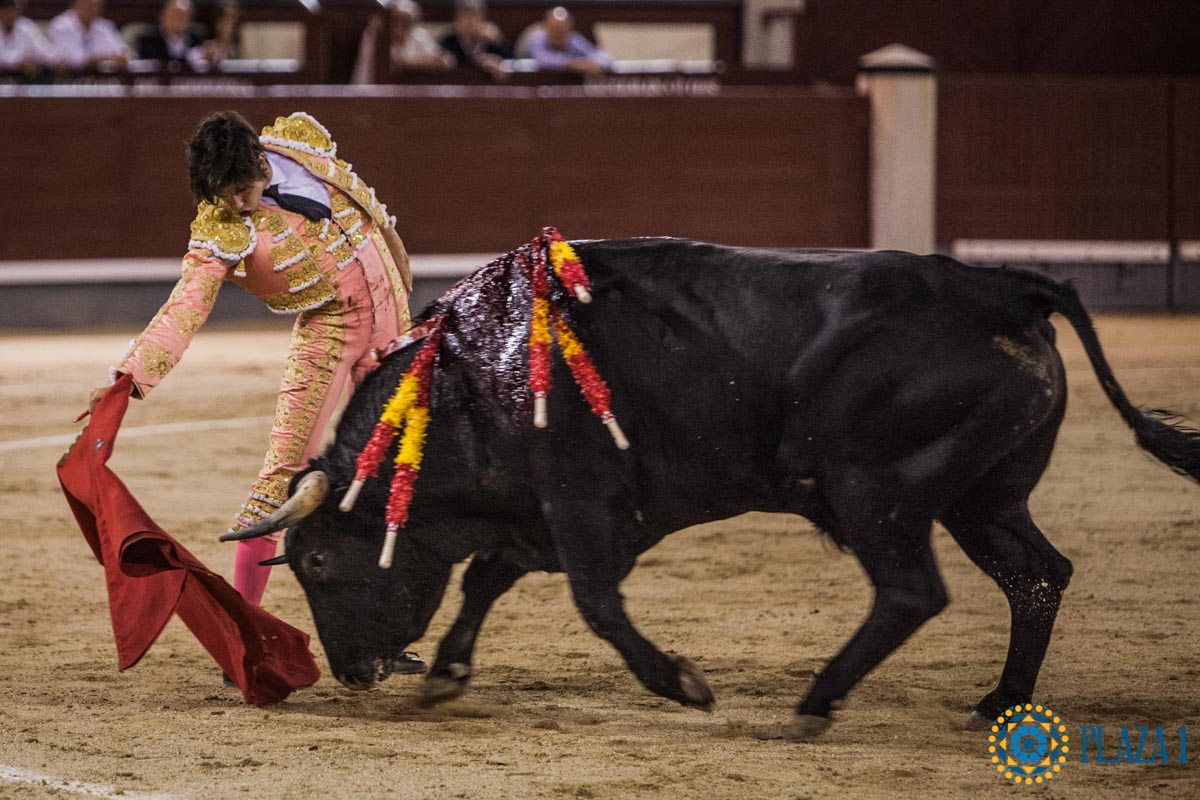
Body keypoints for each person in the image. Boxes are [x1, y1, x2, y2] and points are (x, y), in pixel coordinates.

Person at [84, 114, 418, 667]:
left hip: (389, 326)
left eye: (242, 190)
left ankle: (386, 637)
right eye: (225, 195)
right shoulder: (222, 228)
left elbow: (372, 215)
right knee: (280, 481)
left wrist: (402, 277)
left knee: (396, 478)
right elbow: (187, 304)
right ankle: (244, 641)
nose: (238, 205)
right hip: (330, 333)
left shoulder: (300, 148)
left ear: (262, 164)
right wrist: (130, 377)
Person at [352, 0, 450, 84]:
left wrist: (408, 63)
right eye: (395, 21)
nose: (399, 27)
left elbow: (444, 61)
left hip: (414, 91)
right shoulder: (376, 36)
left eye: (405, 22)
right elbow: (371, 72)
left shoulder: (419, 36)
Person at [47, 0, 130, 70]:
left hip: (101, 78)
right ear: (75, 4)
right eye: (88, 4)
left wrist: (118, 58)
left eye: (96, 5)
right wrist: (104, 59)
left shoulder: (104, 26)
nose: (92, 9)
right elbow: (75, 61)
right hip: (69, 79)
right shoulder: (60, 26)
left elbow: (124, 53)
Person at [527, 6, 611, 74]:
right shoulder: (537, 39)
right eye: (554, 28)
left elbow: (602, 57)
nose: (557, 33)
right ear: (546, 27)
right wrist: (574, 64)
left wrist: (598, 64)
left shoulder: (574, 40)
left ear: (569, 28)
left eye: (561, 29)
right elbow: (542, 60)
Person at [439, 0, 511, 78]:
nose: (469, 21)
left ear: (483, 18)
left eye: (474, 15)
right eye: (464, 15)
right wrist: (480, 61)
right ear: (457, 19)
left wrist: (498, 42)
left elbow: (509, 63)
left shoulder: (493, 42)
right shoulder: (449, 41)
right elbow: (447, 63)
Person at [0, 0, 63, 77]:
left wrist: (56, 58)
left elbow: (43, 48)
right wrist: (19, 62)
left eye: (12, 11)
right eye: (6, 12)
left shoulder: (26, 27)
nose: (10, 16)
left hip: (22, 77)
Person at [136, 0, 204, 68]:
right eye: (175, 14)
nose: (179, 19)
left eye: (184, 16)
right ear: (162, 16)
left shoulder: (197, 40)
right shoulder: (149, 39)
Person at [199, 0, 240, 64]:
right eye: (222, 19)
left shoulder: (238, 45)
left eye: (231, 19)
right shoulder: (206, 46)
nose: (227, 24)